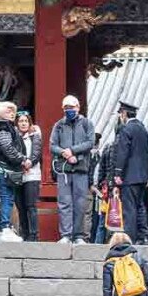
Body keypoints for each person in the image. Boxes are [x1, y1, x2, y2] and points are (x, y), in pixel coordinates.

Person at [49, 95, 96, 244]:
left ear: (78, 107)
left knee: (80, 202)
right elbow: (52, 145)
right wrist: (65, 153)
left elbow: (90, 142)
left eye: (71, 107)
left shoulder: (87, 123)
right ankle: (66, 234)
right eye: (66, 107)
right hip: (64, 169)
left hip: (81, 168)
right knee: (64, 202)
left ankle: (79, 235)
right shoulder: (59, 125)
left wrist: (73, 151)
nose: (69, 110)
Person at [0, 101, 27, 242]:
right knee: (7, 199)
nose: (12, 112)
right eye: (8, 110)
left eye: (13, 110)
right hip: (3, 168)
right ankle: (5, 228)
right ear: (0, 112)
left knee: (4, 198)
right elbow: (7, 147)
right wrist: (22, 159)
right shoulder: (3, 128)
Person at [112, 101, 148, 242]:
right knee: (140, 207)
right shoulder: (143, 129)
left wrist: (118, 173)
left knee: (129, 209)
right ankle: (143, 236)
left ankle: (130, 238)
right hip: (142, 176)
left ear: (124, 113)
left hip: (129, 175)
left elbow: (123, 152)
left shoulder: (126, 129)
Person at [15, 111, 43, 241]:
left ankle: (34, 234)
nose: (23, 123)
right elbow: (12, 152)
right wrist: (21, 164)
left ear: (29, 122)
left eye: (25, 121)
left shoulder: (35, 136)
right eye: (21, 121)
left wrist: (29, 163)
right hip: (18, 174)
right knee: (20, 206)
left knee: (30, 206)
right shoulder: (14, 137)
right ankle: (24, 233)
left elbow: (36, 153)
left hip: (32, 175)